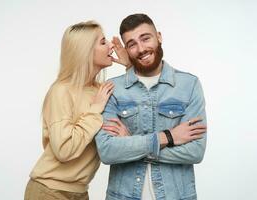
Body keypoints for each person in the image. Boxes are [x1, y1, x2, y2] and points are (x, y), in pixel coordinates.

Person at [95, 13, 207, 200]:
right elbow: (108, 152)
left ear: (159, 37)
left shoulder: (189, 85)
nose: (141, 48)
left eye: (145, 38)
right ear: (127, 49)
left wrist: (132, 143)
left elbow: (195, 151)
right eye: (131, 44)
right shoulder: (113, 89)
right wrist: (169, 137)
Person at [24, 20, 131, 200]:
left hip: (80, 192)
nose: (112, 45)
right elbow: (64, 150)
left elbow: (139, 106)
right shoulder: (61, 91)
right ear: (86, 50)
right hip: (48, 191)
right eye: (103, 42)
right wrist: (95, 109)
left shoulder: (101, 90)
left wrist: (130, 67)